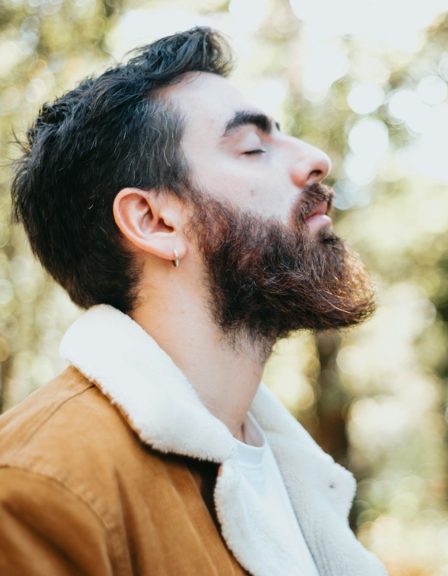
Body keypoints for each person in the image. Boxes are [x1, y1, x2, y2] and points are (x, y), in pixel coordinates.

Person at [0, 27, 386, 576]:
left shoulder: (295, 477)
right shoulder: (38, 489)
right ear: (155, 221)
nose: (315, 160)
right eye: (253, 148)